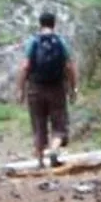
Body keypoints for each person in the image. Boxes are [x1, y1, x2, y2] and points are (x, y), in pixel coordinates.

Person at [16, 10, 77, 168]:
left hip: (35, 88)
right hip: (57, 87)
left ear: (40, 23)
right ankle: (54, 150)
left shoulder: (33, 42)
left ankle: (40, 161)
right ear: (54, 23)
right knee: (59, 124)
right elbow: (69, 66)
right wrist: (73, 87)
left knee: (38, 123)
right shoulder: (60, 42)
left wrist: (20, 89)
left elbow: (25, 66)